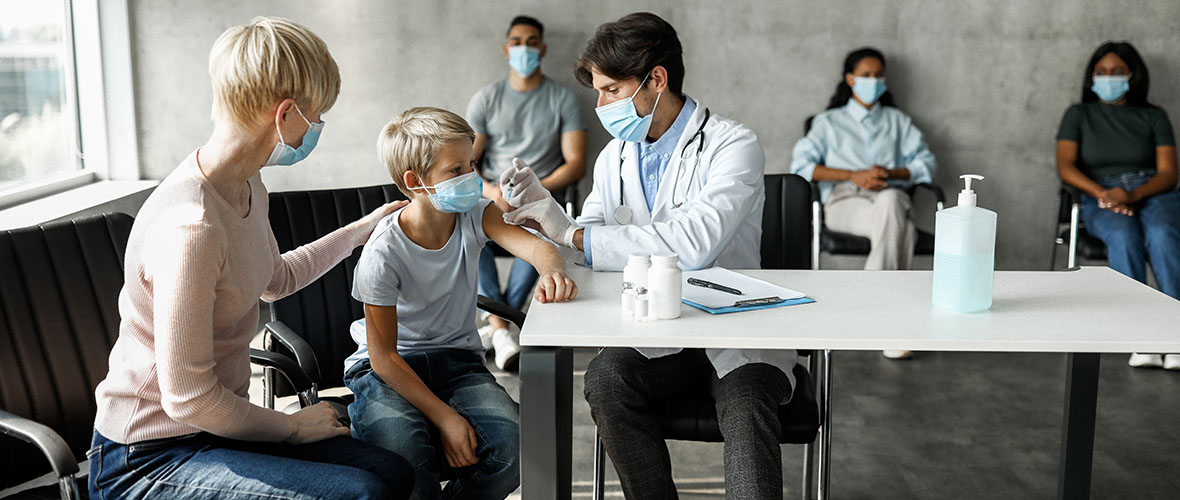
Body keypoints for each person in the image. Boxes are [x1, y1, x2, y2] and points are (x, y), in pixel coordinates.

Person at [88, 17, 413, 499]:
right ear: (285, 116)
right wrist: (291, 427)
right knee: (361, 493)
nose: (319, 125)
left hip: (216, 432)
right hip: (147, 459)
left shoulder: (244, 184)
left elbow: (274, 279)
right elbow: (189, 399)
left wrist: (361, 231)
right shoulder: (191, 229)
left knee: (393, 473)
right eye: (318, 114)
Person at [502, 12, 797, 499]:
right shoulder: (614, 155)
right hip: (657, 330)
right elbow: (588, 249)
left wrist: (573, 236)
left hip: (735, 330)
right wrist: (548, 217)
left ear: (656, 79)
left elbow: (694, 244)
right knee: (606, 379)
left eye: (612, 90)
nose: (600, 105)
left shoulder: (732, 145)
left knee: (746, 406)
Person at [343, 107, 578, 499]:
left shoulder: (474, 214)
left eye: (472, 164)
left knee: (517, 451)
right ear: (415, 182)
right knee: (404, 457)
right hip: (387, 370)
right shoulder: (383, 253)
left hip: (458, 363)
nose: (471, 178)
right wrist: (446, 417)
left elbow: (539, 249)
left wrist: (553, 270)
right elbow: (384, 358)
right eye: (455, 171)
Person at [790, 47, 938, 360]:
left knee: (892, 200)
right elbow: (802, 166)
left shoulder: (898, 121)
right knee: (903, 229)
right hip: (846, 203)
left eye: (878, 75)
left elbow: (926, 164)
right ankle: (894, 325)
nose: (874, 81)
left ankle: (870, 315)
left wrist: (891, 172)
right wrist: (853, 176)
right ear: (850, 79)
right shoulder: (828, 122)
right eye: (866, 75)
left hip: (890, 201)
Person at [467, 15, 587, 370]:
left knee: (535, 240)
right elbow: (464, 160)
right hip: (490, 195)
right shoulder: (486, 99)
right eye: (517, 41)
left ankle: (495, 327)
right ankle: (502, 327)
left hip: (539, 198)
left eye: (532, 41)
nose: (524, 48)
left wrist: (534, 192)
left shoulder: (562, 99)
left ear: (543, 48)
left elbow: (576, 162)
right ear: (506, 49)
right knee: (470, 227)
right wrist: (490, 190)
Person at [1056, 41, 1180, 370]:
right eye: (1101, 72)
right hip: (1100, 194)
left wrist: (1133, 195)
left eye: (1117, 72)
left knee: (1162, 232)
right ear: (1091, 77)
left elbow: (1169, 172)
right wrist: (1104, 194)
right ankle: (1139, 336)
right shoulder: (1078, 114)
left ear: (1132, 76)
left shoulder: (1154, 116)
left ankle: (1174, 336)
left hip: (1152, 190)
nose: (1108, 78)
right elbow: (1066, 167)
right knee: (1124, 235)